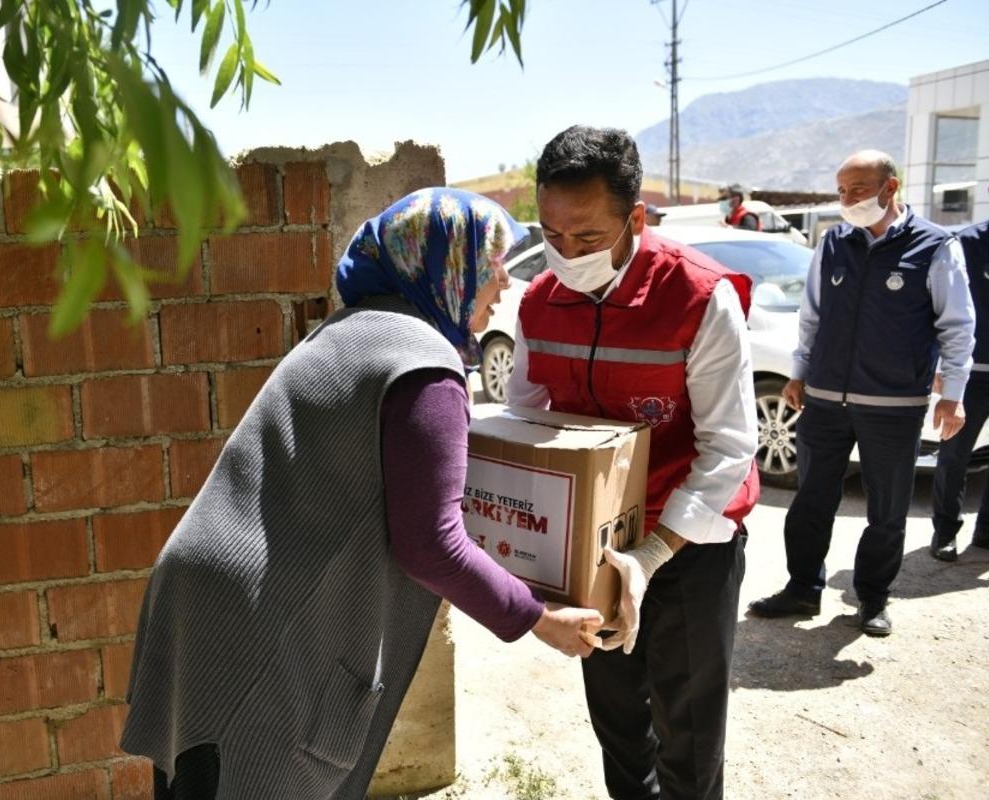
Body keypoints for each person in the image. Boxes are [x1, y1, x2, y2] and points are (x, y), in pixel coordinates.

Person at [120, 188, 605, 800]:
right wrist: (536, 617)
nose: (505, 283)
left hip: (203, 598)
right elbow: (431, 544)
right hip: (263, 625)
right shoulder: (425, 366)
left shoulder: (351, 328)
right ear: (449, 266)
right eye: (493, 263)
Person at [507, 125, 760, 800]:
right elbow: (526, 421)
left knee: (690, 732)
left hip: (687, 546)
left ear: (636, 219)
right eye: (551, 234)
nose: (565, 254)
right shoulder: (538, 303)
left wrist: (649, 557)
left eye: (587, 238)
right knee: (618, 720)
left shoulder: (700, 298)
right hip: (595, 549)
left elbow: (730, 448)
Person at [749, 150, 974, 636]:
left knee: (887, 511)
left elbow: (958, 326)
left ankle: (873, 598)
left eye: (857, 190)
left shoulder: (935, 247)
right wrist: (797, 373)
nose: (846, 200)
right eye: (841, 190)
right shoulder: (833, 244)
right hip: (826, 401)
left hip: (895, 406)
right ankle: (803, 587)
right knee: (810, 501)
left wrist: (952, 394)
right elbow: (811, 318)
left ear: (890, 188)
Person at [931, 216, 989, 560]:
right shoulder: (967, 243)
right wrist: (942, 365)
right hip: (972, 373)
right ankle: (945, 533)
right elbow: (942, 305)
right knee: (955, 456)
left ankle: (986, 532)